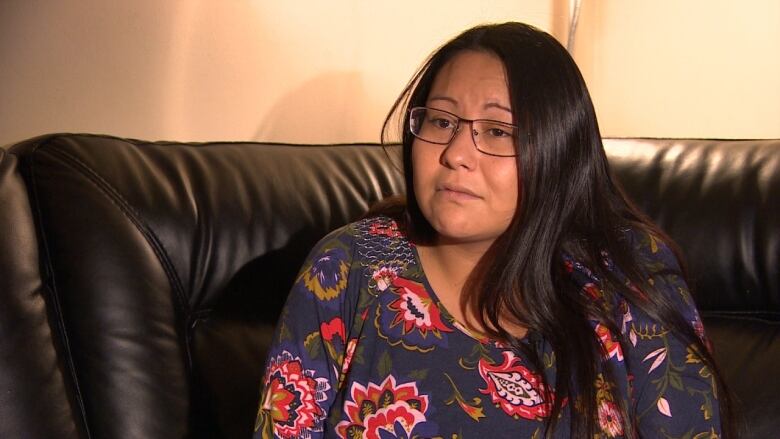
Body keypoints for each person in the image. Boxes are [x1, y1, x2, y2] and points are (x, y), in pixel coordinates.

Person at [253, 22, 731, 438]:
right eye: (441, 121)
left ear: (557, 150)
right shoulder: (347, 267)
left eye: (499, 131)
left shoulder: (628, 270)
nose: (456, 153)